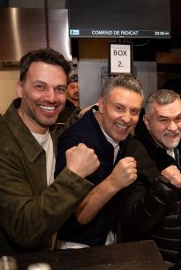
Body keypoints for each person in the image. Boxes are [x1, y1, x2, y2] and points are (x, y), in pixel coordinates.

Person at [0, 48, 100, 260]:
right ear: (20, 89)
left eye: (60, 89)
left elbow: (57, 134)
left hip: (39, 263)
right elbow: (25, 229)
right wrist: (74, 175)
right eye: (40, 87)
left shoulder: (52, 131)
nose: (51, 98)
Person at [54, 74, 144, 249]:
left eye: (134, 111)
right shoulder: (77, 142)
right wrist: (114, 182)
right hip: (76, 244)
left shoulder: (120, 136)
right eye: (119, 108)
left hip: (107, 238)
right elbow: (78, 216)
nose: (126, 118)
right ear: (101, 105)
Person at [118, 89, 181, 270]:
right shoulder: (136, 154)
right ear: (147, 123)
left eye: (178, 118)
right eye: (163, 120)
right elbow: (132, 222)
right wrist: (164, 185)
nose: (173, 127)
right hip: (152, 265)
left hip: (178, 261)